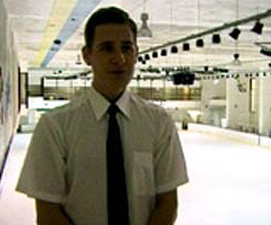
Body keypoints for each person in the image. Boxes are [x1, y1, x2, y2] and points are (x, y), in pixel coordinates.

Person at [16, 6, 188, 225]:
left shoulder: (159, 122)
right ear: (87, 55)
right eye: (107, 48)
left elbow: (167, 203)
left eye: (126, 48)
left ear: (136, 53)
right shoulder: (55, 126)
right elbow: (48, 212)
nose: (119, 58)